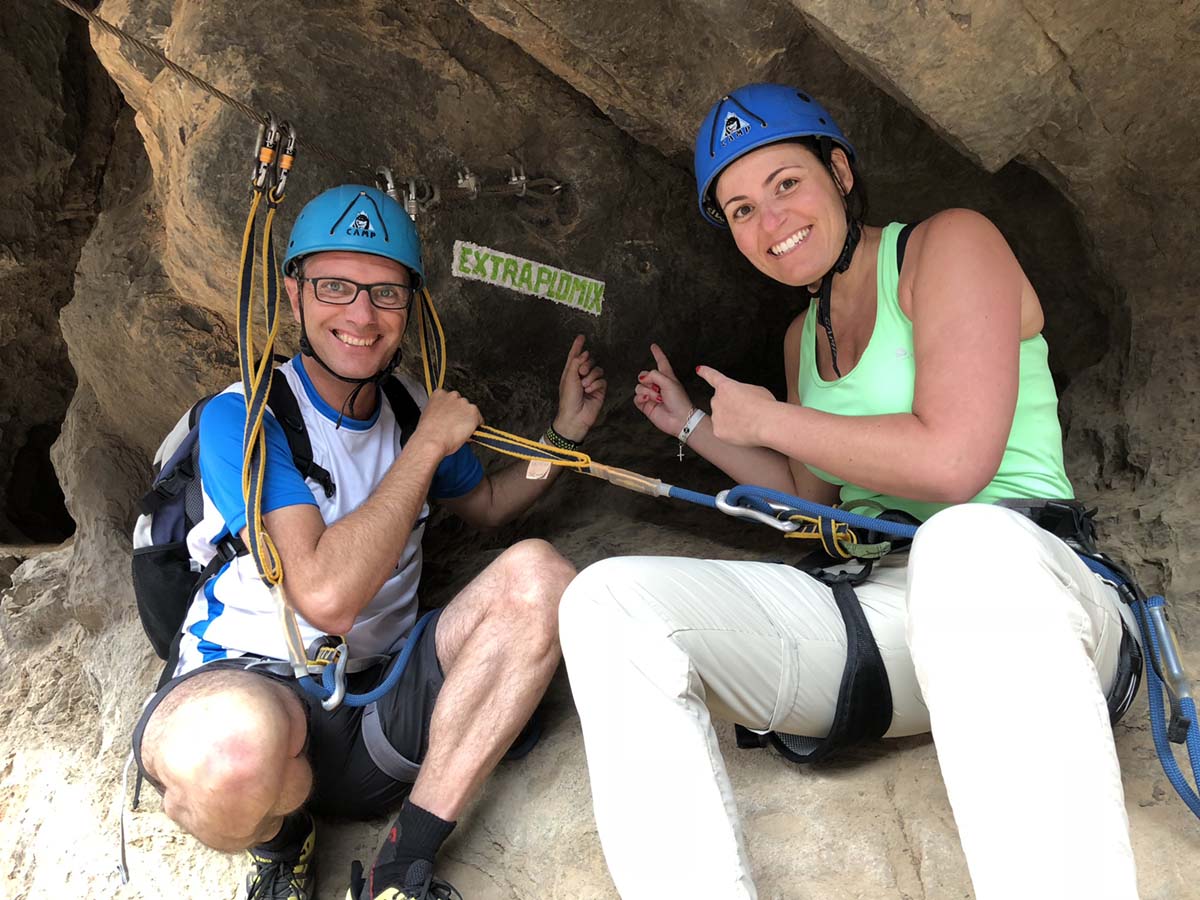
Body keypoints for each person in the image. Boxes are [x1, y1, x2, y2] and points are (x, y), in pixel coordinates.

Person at [559, 83, 1143, 900]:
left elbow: (954, 465)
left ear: (838, 171)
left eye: (786, 184)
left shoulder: (950, 246)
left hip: (1028, 601)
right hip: (887, 621)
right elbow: (809, 499)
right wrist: (696, 427)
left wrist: (773, 420)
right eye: (739, 210)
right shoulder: (804, 338)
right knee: (603, 600)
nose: (770, 223)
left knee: (962, 543)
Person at [131, 184, 607, 900]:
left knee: (541, 575)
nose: (360, 315)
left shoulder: (412, 405)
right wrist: (425, 449)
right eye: (334, 287)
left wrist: (561, 439)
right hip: (250, 680)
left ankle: (401, 866)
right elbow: (324, 597)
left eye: (385, 294)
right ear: (294, 295)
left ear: (410, 306)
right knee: (231, 763)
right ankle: (283, 840)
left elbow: (487, 504)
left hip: (379, 706)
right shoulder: (250, 418)